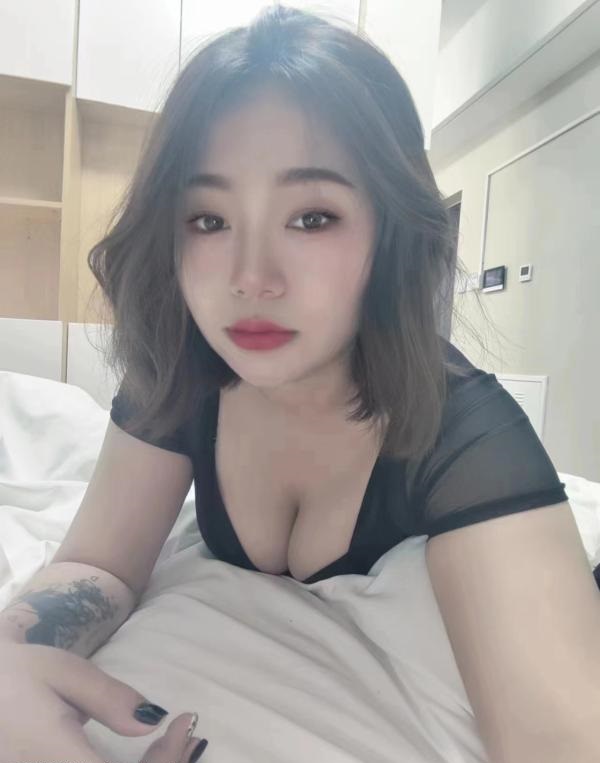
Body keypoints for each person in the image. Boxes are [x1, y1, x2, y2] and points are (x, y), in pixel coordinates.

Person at [1, 5, 590, 762]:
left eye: (312, 218)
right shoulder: (183, 368)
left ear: (390, 231)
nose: (251, 278)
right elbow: (101, 562)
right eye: (207, 219)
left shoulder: (467, 432)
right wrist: (13, 655)